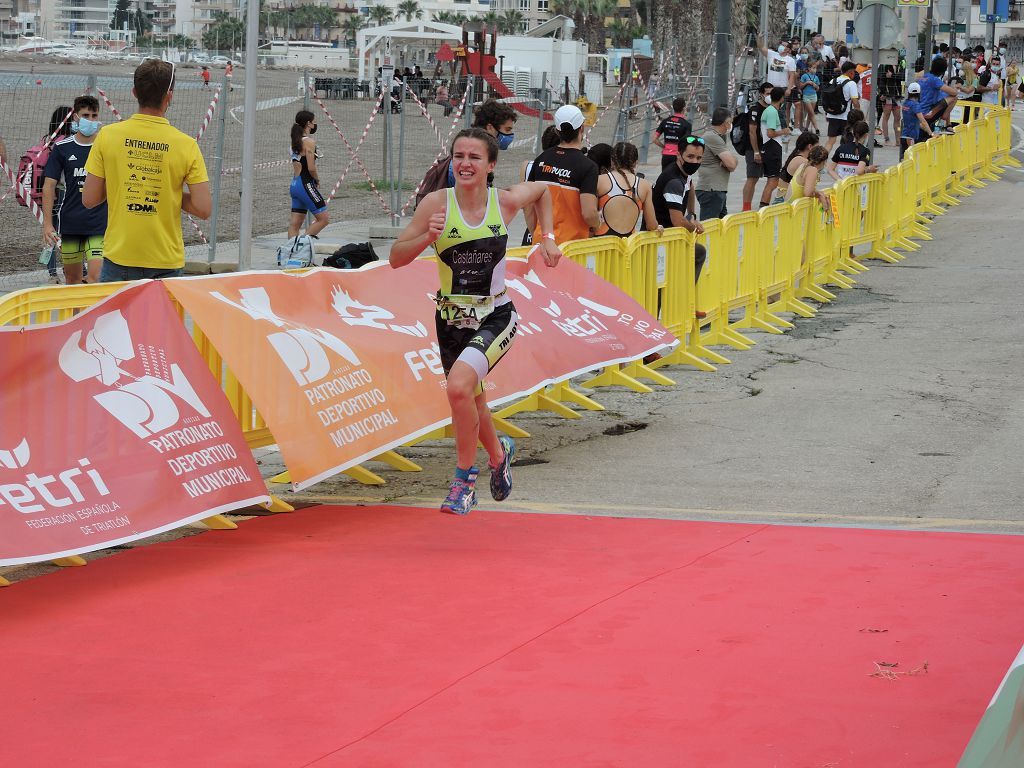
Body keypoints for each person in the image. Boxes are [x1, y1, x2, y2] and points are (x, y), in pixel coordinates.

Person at [389, 127, 562, 515]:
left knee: (457, 389)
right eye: (459, 156)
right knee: (471, 398)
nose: (465, 164)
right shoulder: (435, 204)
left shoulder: (505, 202)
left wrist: (546, 237)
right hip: (451, 318)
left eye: (474, 157)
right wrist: (424, 239)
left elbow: (543, 190)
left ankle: (464, 482)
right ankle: (499, 458)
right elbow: (396, 257)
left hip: (496, 314)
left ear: (491, 166)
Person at [83, 58, 211, 281]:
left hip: (120, 257)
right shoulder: (186, 144)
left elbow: (90, 198)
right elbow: (203, 208)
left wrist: (122, 183)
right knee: (161, 318)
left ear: (134, 92)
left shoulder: (108, 136)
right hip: (165, 261)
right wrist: (167, 192)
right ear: (169, 96)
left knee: (117, 318)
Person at [42, 95, 107, 285]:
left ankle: (94, 315)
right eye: (86, 115)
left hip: (100, 224)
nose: (92, 120)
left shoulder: (106, 145)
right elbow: (49, 186)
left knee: (96, 277)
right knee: (73, 280)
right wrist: (47, 224)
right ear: (76, 117)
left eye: (95, 115)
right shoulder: (62, 148)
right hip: (71, 222)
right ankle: (78, 315)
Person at [526, 104, 600, 243]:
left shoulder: (541, 160)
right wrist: (597, 225)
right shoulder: (588, 166)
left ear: (557, 131)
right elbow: (589, 213)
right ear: (582, 129)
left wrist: (536, 234)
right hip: (572, 247)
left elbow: (528, 206)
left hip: (543, 244)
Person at [653, 136, 707, 281]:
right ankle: (687, 295)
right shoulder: (674, 181)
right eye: (690, 156)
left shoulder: (684, 173)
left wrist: (692, 214)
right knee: (699, 252)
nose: (694, 162)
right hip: (660, 240)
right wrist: (694, 228)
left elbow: (690, 186)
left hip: (670, 237)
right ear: (678, 155)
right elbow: (677, 221)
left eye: (698, 158)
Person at [594, 141, 661, 236]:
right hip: (628, 246)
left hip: (603, 246)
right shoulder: (644, 186)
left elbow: (590, 216)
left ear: (612, 161)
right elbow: (651, 225)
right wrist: (657, 226)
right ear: (635, 163)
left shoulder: (600, 181)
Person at [287, 109, 330, 244]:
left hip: (295, 185)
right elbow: (311, 167)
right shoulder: (309, 142)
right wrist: (317, 179)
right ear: (308, 123)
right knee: (323, 219)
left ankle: (291, 252)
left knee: (295, 225)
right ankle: (302, 246)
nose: (315, 124)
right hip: (305, 184)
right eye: (314, 121)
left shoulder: (294, 142)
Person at [519, 125, 561, 245]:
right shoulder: (569, 168)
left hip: (534, 230)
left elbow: (527, 206)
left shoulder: (528, 165)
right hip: (556, 232)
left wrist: (533, 232)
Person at [696, 107, 738, 221]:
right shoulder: (713, 138)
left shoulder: (715, 137)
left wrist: (730, 160)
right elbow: (732, 165)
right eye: (730, 122)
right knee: (709, 228)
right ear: (726, 123)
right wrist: (729, 161)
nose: (731, 125)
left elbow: (732, 162)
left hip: (717, 189)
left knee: (722, 227)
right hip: (711, 190)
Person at [742, 81, 773, 212]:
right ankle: (746, 208)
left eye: (772, 93)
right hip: (754, 148)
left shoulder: (771, 109)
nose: (770, 96)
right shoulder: (755, 110)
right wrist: (755, 152)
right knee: (752, 178)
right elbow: (752, 131)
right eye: (768, 93)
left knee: (770, 178)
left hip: (767, 148)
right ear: (761, 94)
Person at [758, 87, 790, 209]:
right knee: (773, 180)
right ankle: (763, 206)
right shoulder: (771, 112)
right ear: (782, 98)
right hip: (772, 148)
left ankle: (764, 205)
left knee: (773, 180)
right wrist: (784, 131)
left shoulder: (771, 110)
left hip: (772, 147)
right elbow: (770, 133)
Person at [759, 34, 797, 126]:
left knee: (780, 111)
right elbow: (761, 47)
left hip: (782, 88)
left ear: (788, 49)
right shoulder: (772, 54)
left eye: (784, 45)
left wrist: (789, 88)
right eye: (781, 44)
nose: (781, 46)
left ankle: (784, 130)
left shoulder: (790, 60)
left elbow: (792, 75)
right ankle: (769, 128)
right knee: (768, 109)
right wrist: (759, 38)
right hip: (770, 88)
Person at [824, 61, 860, 153]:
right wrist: (859, 116)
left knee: (830, 141)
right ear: (850, 72)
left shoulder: (833, 80)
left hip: (832, 115)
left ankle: (821, 159)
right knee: (847, 142)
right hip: (846, 117)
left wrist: (827, 113)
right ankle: (842, 161)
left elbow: (828, 98)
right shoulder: (851, 84)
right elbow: (855, 102)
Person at [918, 57, 960, 132]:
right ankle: (945, 121)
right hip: (928, 112)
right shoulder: (935, 80)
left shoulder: (925, 76)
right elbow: (954, 93)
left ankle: (948, 124)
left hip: (920, 110)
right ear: (942, 71)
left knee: (946, 97)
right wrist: (954, 87)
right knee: (954, 97)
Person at [778, 130, 820, 201]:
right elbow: (809, 189)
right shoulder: (802, 161)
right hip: (785, 202)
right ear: (810, 146)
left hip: (783, 199)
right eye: (817, 147)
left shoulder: (796, 157)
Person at [653, 97, 692, 170]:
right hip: (678, 156)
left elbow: (654, 139)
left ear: (673, 108)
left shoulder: (665, 121)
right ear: (684, 108)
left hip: (666, 156)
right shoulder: (686, 124)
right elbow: (687, 142)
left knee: (665, 179)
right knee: (678, 179)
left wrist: (664, 147)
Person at [900, 82, 934, 161]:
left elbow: (915, 122)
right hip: (911, 137)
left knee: (904, 160)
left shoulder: (905, 103)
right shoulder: (915, 105)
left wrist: (925, 129)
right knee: (912, 161)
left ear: (909, 92)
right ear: (919, 93)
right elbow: (923, 121)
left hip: (904, 135)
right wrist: (931, 133)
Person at [877, 64, 903, 145]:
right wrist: (883, 93)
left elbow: (902, 76)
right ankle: (886, 139)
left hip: (897, 96)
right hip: (887, 97)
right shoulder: (884, 65)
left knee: (897, 118)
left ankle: (898, 140)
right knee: (886, 117)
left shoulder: (900, 64)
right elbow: (880, 79)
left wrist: (893, 75)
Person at [799, 55, 821, 134]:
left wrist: (816, 86)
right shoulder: (804, 76)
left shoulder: (816, 77)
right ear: (809, 68)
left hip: (814, 95)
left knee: (809, 113)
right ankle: (817, 128)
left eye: (815, 68)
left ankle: (806, 128)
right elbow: (801, 86)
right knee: (811, 112)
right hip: (806, 96)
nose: (815, 69)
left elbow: (818, 88)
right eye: (813, 68)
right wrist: (807, 82)